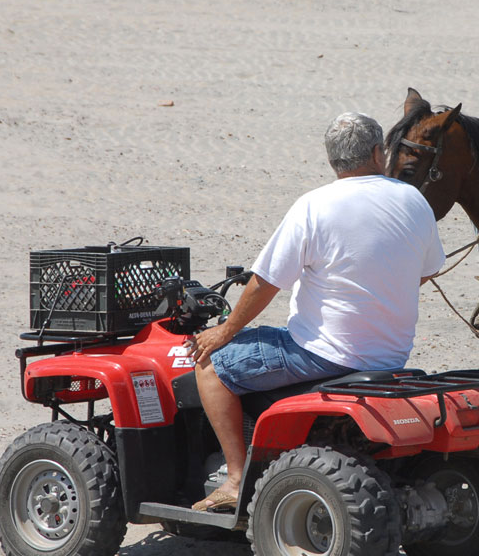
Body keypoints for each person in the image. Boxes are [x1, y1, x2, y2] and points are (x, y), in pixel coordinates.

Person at [188, 112, 446, 511]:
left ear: (333, 161)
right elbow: (426, 271)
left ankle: (235, 479)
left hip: (323, 353)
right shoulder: (413, 199)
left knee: (210, 365)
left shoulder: (315, 205)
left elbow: (265, 282)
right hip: (392, 354)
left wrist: (224, 332)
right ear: (378, 153)